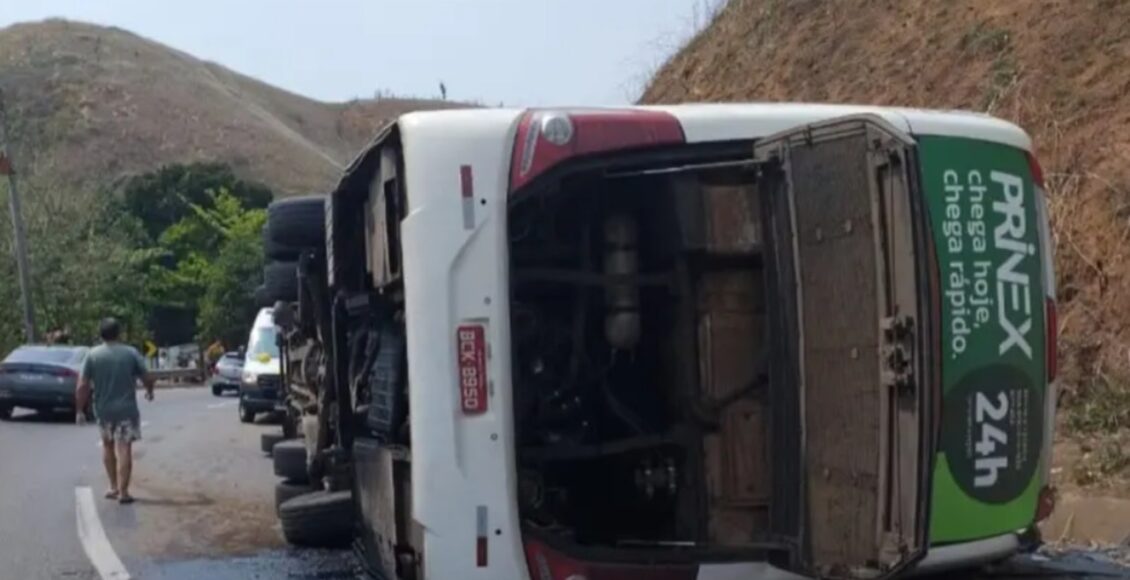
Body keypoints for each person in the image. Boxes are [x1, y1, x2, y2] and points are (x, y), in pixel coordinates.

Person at [76, 318, 155, 504]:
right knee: (124, 447)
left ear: (100, 334)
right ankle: (124, 492)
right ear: (118, 333)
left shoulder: (92, 355)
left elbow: (82, 385)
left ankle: (112, 486)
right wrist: (149, 391)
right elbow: (147, 376)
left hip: (103, 411)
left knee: (108, 445)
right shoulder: (131, 353)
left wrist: (79, 409)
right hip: (127, 410)